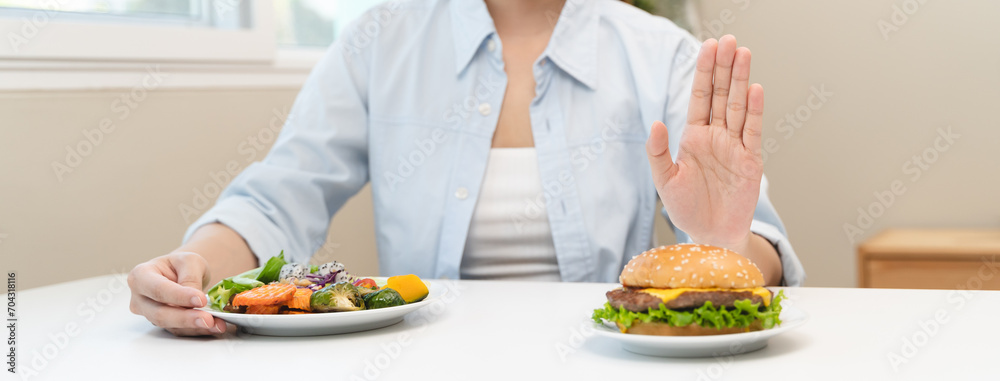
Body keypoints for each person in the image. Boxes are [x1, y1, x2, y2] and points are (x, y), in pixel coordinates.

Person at [127, 0, 805, 336]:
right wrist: (193, 268)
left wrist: (722, 244)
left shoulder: (663, 53)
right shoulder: (379, 40)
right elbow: (277, 200)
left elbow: (762, 251)